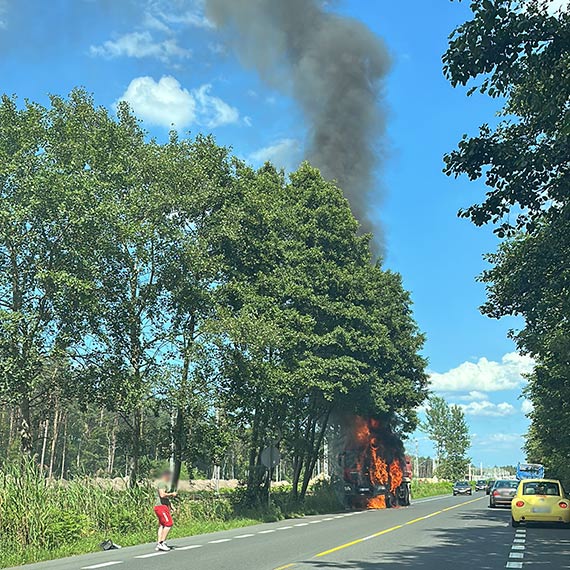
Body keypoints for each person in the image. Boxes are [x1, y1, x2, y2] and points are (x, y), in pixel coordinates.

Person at [154, 469, 177, 551]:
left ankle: (159, 542)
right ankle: (161, 543)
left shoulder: (164, 484)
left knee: (162, 525)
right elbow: (162, 495)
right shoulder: (162, 483)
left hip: (162, 506)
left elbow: (166, 499)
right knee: (169, 523)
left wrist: (171, 506)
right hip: (161, 507)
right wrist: (172, 494)